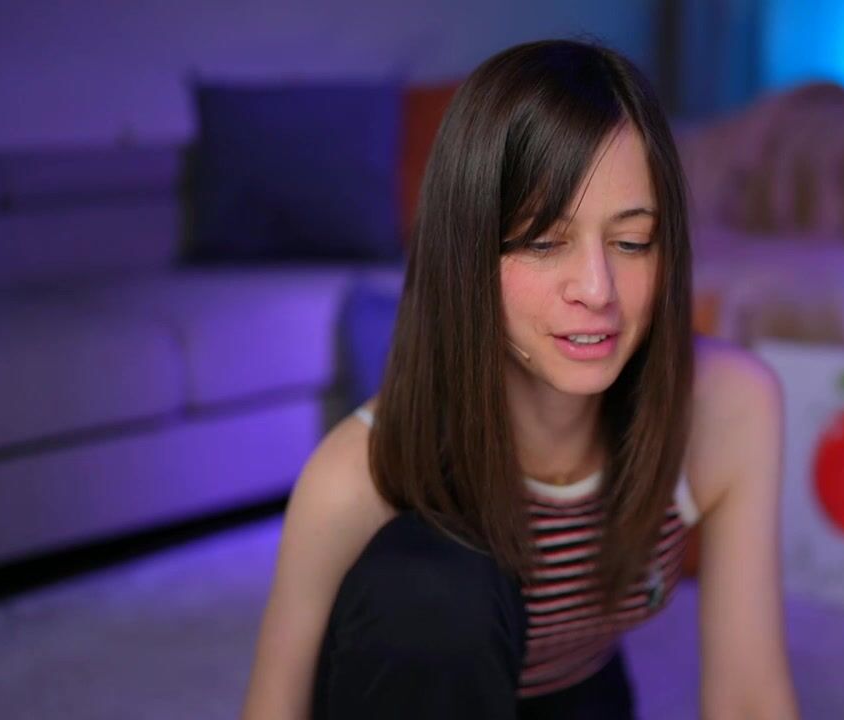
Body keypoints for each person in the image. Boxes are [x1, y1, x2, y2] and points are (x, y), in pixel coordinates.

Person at [241, 39, 800, 719]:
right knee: (435, 590)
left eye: (630, 242)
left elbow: (748, 699)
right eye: (543, 241)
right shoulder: (357, 473)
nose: (597, 289)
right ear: (467, 254)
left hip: (576, 699)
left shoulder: (728, 406)